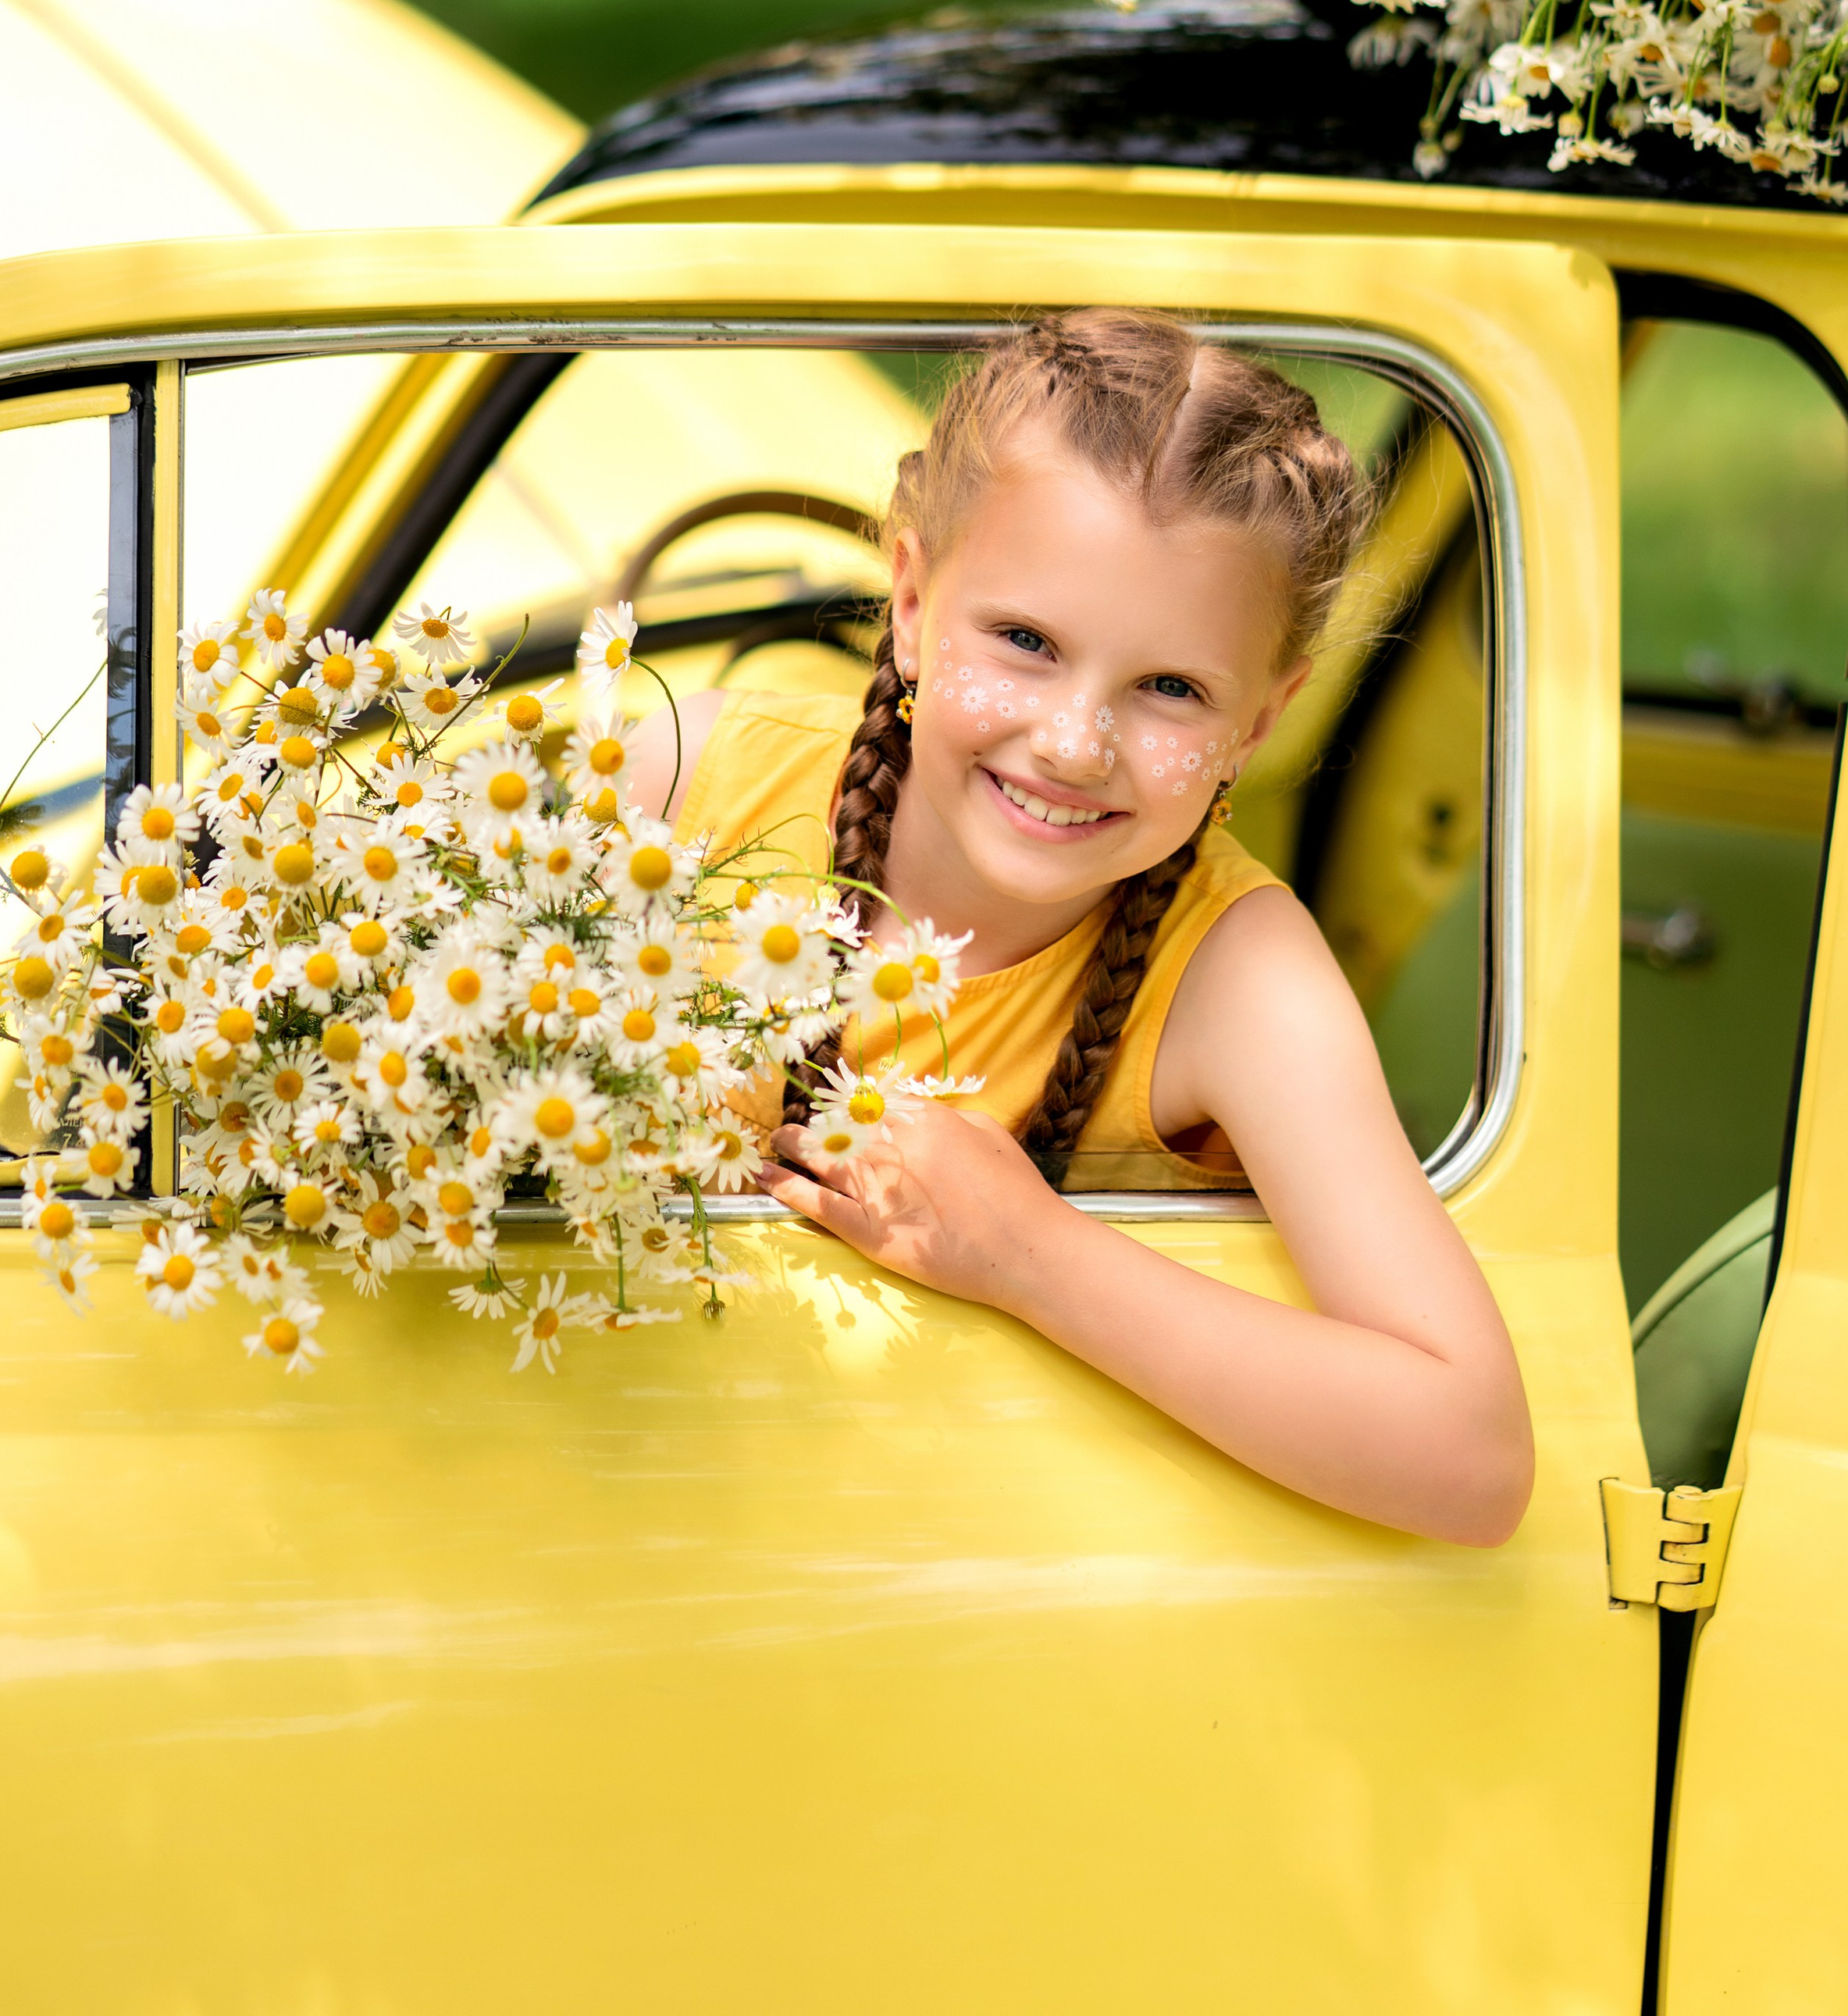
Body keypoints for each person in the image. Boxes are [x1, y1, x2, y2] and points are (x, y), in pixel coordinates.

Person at [628, 311, 1533, 1548]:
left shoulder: (1237, 976)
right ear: (908, 601)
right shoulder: (677, 790)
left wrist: (1026, 1252)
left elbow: (1471, 1456)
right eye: (1026, 642)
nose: (1074, 742)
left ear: (1261, 723)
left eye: (1171, 688)